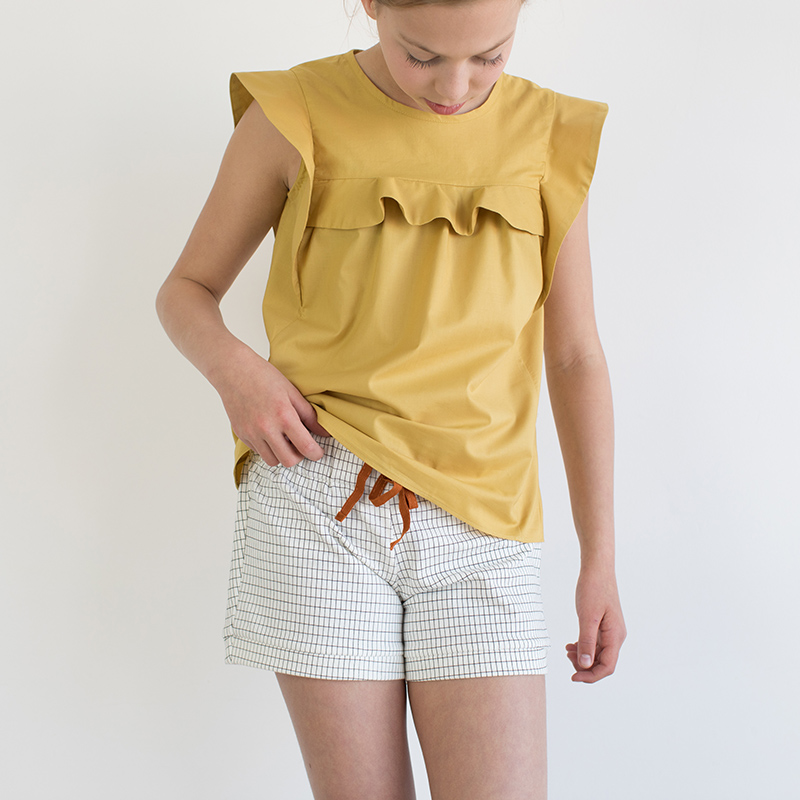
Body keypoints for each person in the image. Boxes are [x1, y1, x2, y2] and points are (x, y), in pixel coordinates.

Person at [156, 0, 626, 796]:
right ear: (370, 5)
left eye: (490, 55)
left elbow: (576, 354)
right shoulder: (294, 114)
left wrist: (600, 559)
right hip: (317, 499)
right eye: (421, 56)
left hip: (485, 517)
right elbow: (186, 290)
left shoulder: (550, 134)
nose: (456, 86)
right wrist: (239, 375)